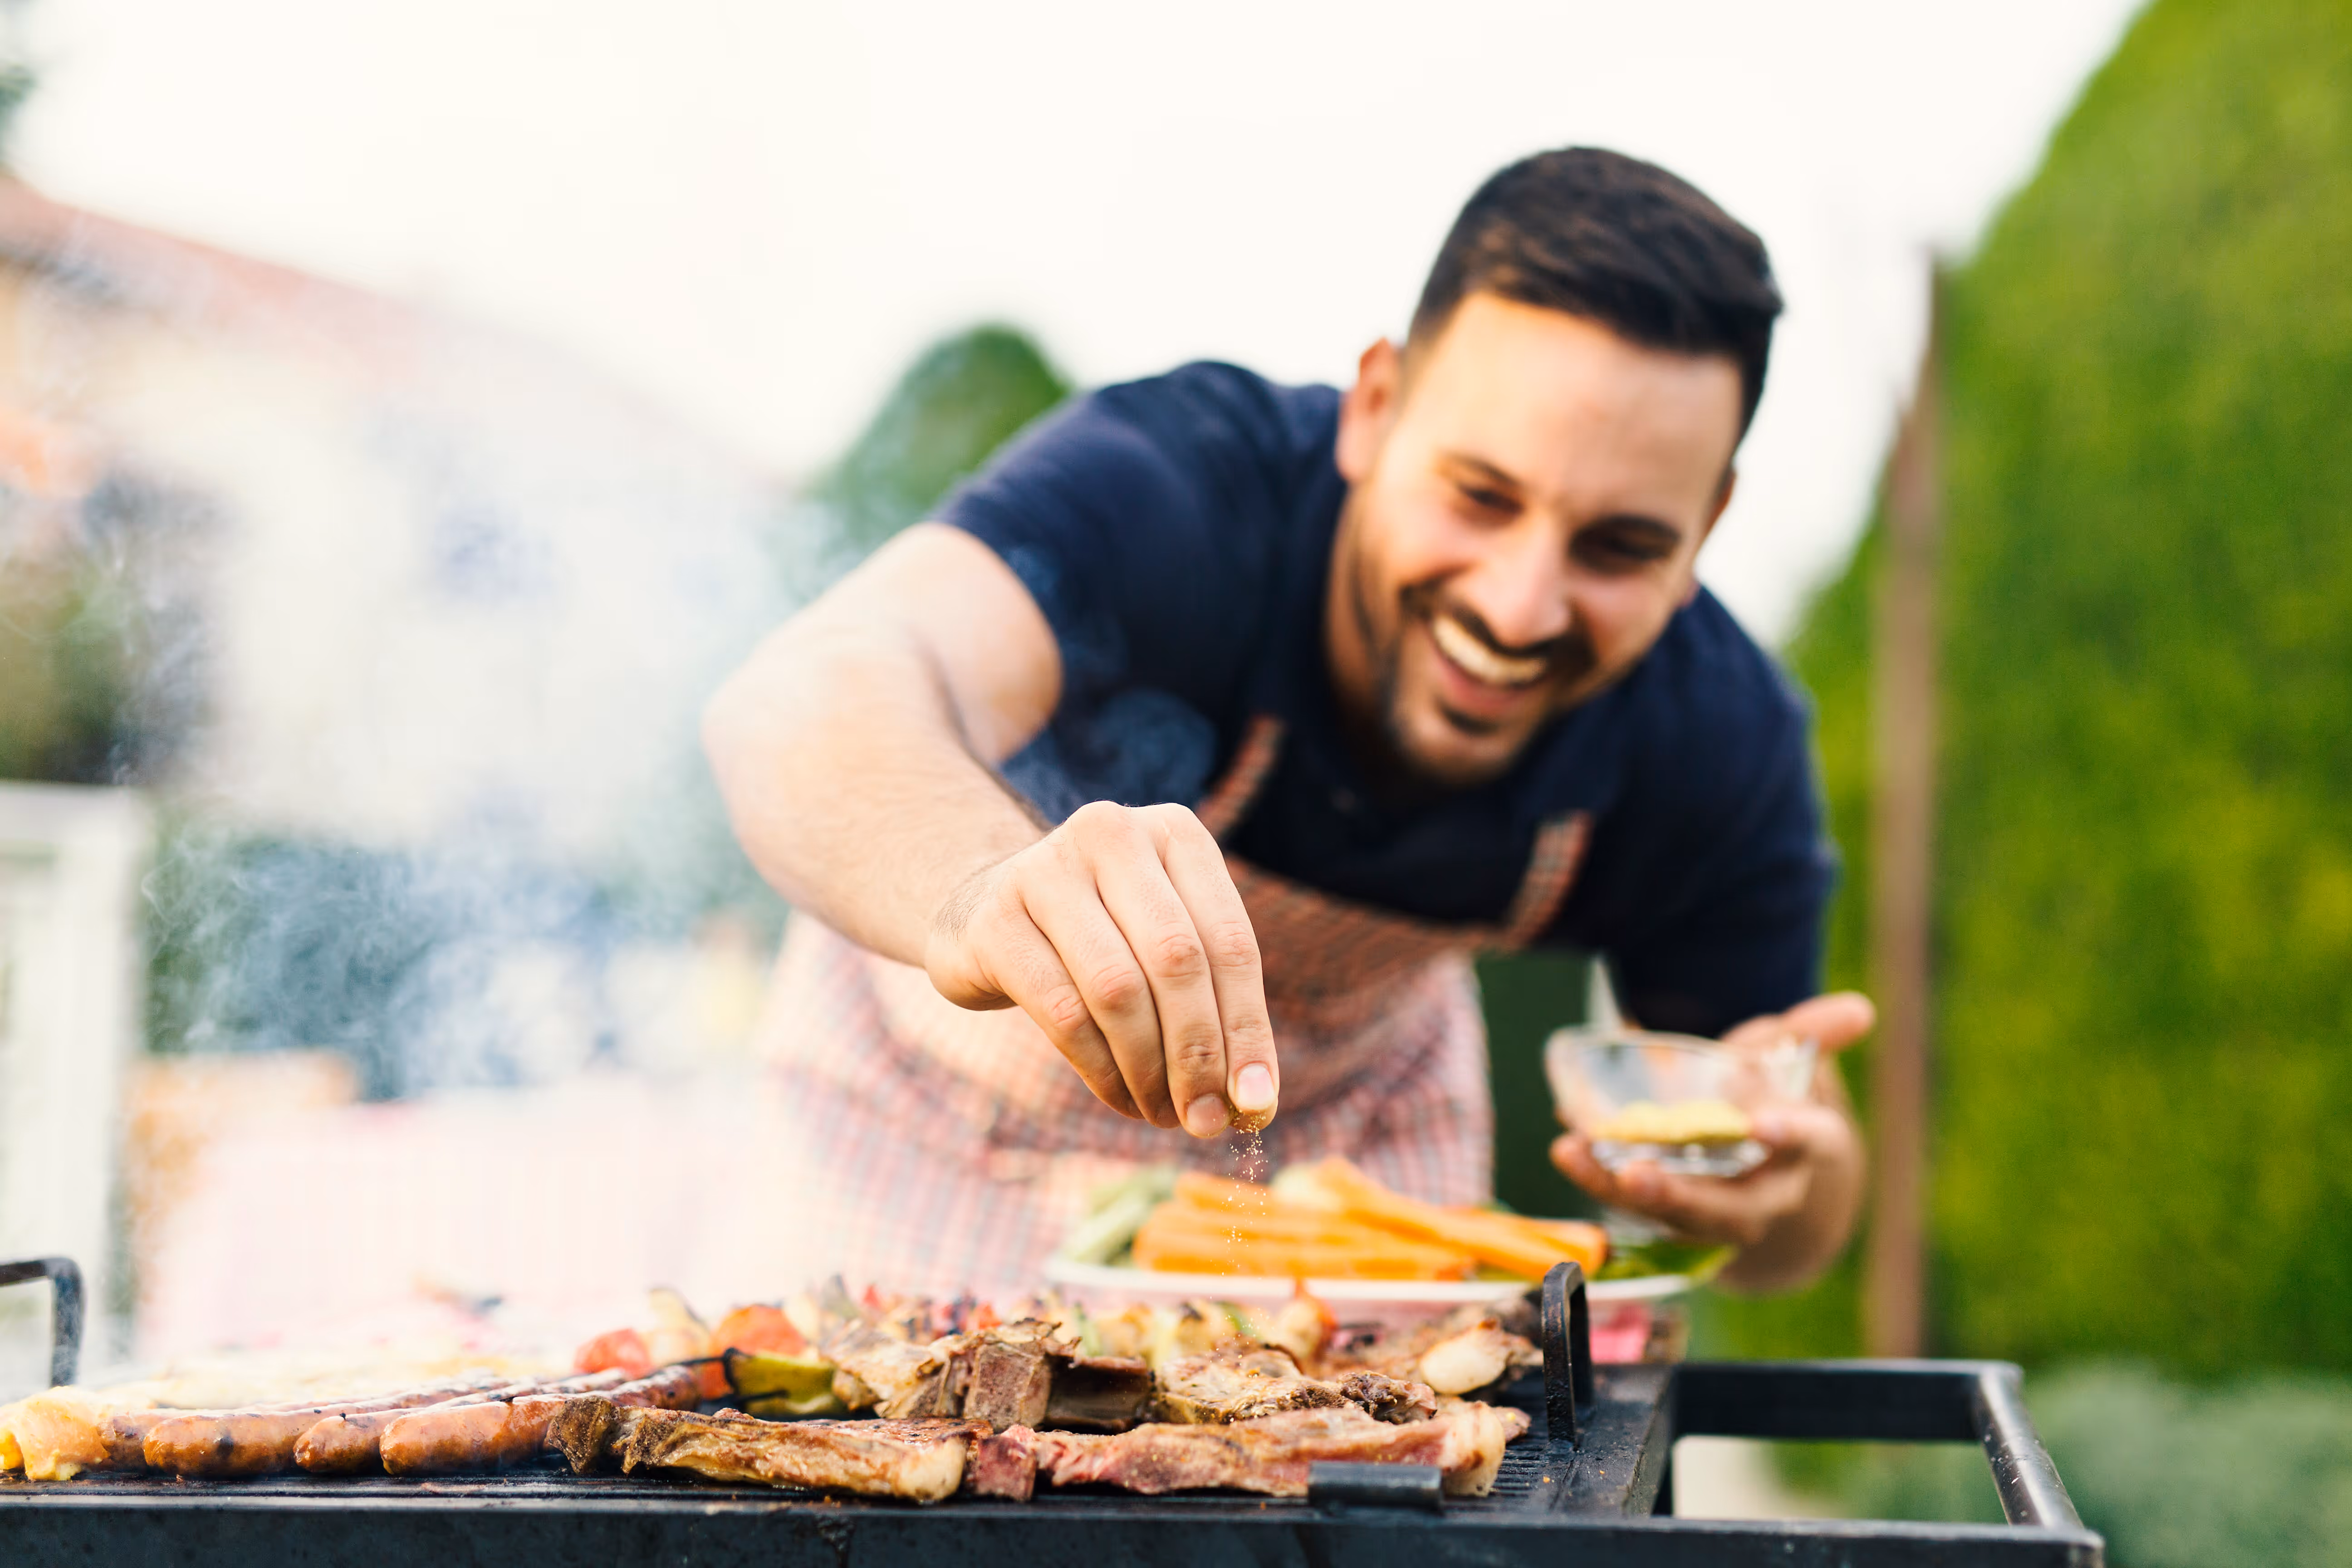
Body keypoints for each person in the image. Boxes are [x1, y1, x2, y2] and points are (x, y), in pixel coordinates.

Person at [706, 147, 1872, 1299]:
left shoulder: (1717, 737)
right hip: (928, 1134)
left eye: (1620, 547)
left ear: (1707, 525)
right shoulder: (1183, 489)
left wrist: (1777, 1189)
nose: (1519, 608)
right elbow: (802, 699)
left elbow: (1794, 1232)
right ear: (1373, 410)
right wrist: (978, 896)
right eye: (1479, 495)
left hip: (1343, 1179)